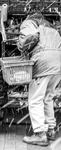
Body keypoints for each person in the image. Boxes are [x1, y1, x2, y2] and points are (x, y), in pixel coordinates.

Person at [17, 12, 61, 146]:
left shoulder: (29, 23)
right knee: (48, 97)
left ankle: (40, 134)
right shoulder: (52, 28)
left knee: (35, 98)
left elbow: (29, 38)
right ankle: (51, 130)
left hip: (43, 62)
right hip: (58, 63)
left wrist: (21, 45)